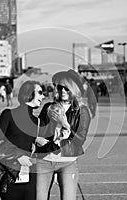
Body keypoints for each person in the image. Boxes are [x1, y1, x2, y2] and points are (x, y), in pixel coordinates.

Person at [0, 80, 45, 200]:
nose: (43, 96)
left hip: (30, 176)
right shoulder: (8, 114)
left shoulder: (37, 121)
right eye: (40, 92)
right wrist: (18, 155)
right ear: (29, 93)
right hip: (7, 176)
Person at [35, 69, 91, 200]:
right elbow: (38, 131)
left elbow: (80, 140)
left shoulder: (82, 111)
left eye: (67, 88)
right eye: (60, 87)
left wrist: (65, 124)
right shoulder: (48, 107)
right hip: (45, 160)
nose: (63, 91)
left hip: (68, 162)